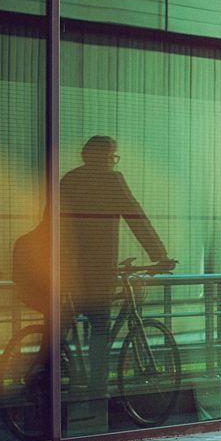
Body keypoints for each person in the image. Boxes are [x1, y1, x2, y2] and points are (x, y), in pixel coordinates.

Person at [61, 136, 174, 393]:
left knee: (61, 323)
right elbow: (136, 217)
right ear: (102, 157)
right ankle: (97, 389)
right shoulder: (110, 180)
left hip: (67, 268)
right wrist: (159, 255)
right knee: (100, 327)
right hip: (97, 269)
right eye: (112, 156)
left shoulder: (68, 180)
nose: (113, 162)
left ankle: (47, 366)